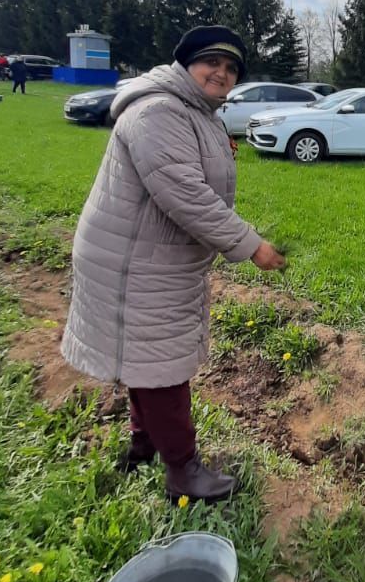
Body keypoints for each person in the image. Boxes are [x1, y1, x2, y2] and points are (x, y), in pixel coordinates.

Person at [61, 25, 285, 502]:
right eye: (212, 63)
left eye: (231, 69)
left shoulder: (198, 113)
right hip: (133, 261)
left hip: (152, 255)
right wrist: (251, 246)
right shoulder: (158, 111)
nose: (222, 74)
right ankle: (182, 470)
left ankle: (144, 443)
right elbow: (185, 195)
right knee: (162, 367)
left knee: (146, 360)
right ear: (185, 64)